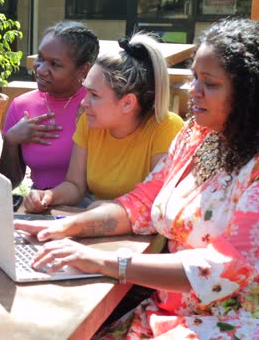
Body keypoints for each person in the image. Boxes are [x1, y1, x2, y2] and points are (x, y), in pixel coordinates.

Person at [16, 18, 259, 340]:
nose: (194, 90)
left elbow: (221, 267)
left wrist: (106, 262)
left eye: (209, 84)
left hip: (253, 324)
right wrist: (68, 226)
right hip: (178, 309)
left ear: (252, 92)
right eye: (195, 77)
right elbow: (142, 201)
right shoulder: (200, 135)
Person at [24, 33, 184, 212]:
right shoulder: (90, 120)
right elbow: (75, 186)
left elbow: (157, 203)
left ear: (127, 103)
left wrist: (107, 210)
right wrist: (49, 196)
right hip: (100, 224)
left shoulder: (167, 128)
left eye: (94, 95)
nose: (84, 102)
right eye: (86, 92)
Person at [0, 21, 99, 191]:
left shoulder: (94, 105)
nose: (41, 69)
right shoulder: (21, 106)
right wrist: (10, 142)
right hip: (39, 204)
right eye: (40, 58)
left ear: (83, 70)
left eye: (55, 64)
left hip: (88, 207)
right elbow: (8, 184)